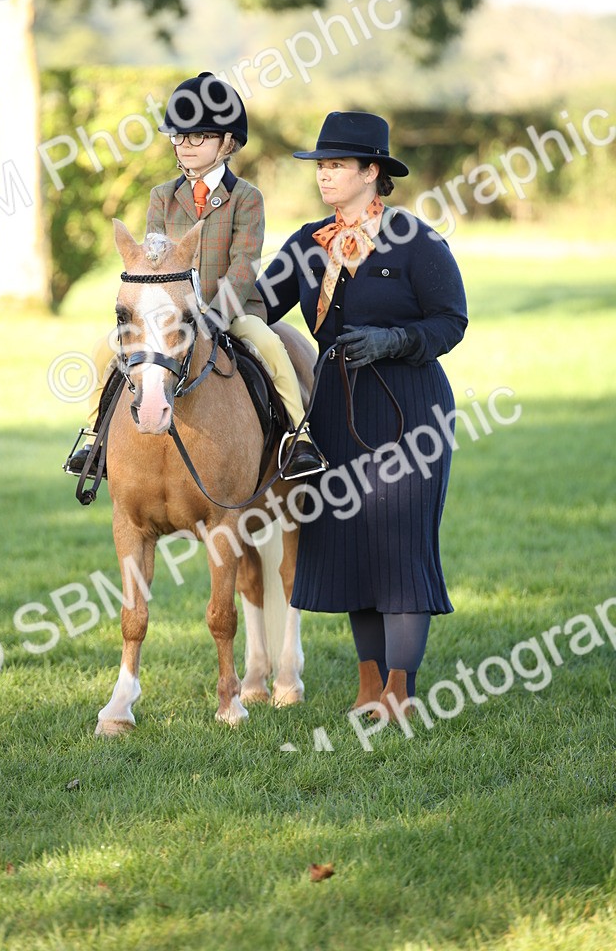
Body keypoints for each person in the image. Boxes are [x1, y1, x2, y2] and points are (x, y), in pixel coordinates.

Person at [255, 111, 468, 722]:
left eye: (338, 165)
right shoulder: (307, 243)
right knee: (349, 546)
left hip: (412, 412)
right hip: (335, 411)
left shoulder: (416, 241)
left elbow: (451, 321)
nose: (326, 175)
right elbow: (257, 304)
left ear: (372, 172)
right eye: (321, 165)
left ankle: (401, 693)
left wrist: (394, 340)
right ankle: (368, 687)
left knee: (400, 548)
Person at [67, 71, 326, 481]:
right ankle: (93, 440)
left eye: (197, 138)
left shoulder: (246, 199)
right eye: (178, 137)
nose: (184, 146)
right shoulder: (162, 198)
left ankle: (298, 438)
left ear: (227, 143)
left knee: (271, 346)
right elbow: (154, 261)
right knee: (105, 351)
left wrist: (213, 315)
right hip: (170, 316)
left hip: (231, 309)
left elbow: (244, 266)